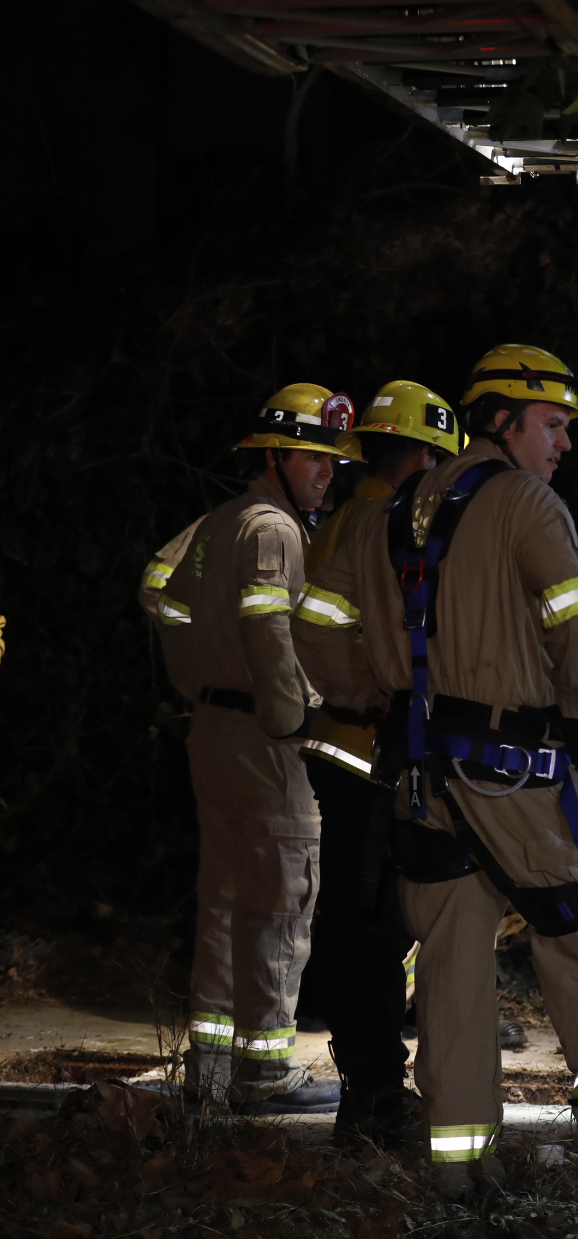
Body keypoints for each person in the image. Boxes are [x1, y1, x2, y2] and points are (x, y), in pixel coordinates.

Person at [294, 344, 578, 1202]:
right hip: (520, 772)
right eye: (553, 427)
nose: (563, 445)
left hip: (422, 781)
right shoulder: (528, 502)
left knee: (451, 969)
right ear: (503, 422)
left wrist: (365, 691)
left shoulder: (386, 513)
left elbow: (315, 620)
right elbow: (572, 623)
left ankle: (461, 1174)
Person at [147, 383, 351, 1114]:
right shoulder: (276, 530)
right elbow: (270, 632)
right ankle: (263, 1072)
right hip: (265, 738)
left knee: (226, 899)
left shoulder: (220, 521)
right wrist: (292, 715)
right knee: (280, 900)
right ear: (273, 456)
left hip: (213, 730)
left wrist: (193, 677)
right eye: (313, 458)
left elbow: (158, 593)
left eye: (334, 461)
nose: (328, 473)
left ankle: (209, 1071)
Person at [291, 381, 460, 1146]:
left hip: (342, 745)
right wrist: (377, 701)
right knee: (371, 931)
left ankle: (370, 1088)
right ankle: (372, 1097)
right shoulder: (387, 527)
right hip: (367, 752)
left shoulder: (344, 520)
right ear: (424, 455)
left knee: (360, 926)